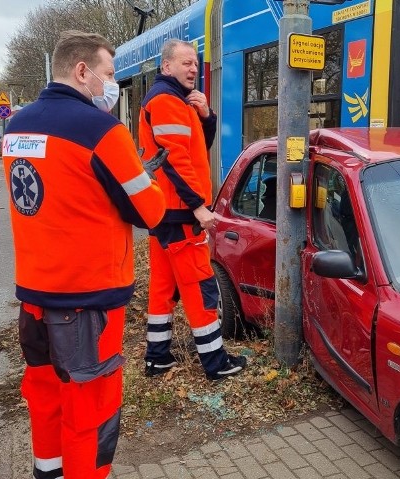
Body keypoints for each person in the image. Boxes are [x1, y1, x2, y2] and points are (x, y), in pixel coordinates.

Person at [1, 30, 166, 479]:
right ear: (82, 71)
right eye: (109, 74)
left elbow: (61, 195)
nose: (112, 84)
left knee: (44, 396)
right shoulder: (102, 130)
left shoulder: (15, 127)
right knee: (90, 412)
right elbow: (149, 211)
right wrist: (146, 179)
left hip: (35, 298)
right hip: (88, 302)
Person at [139, 38, 246, 381]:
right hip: (180, 214)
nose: (193, 68)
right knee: (201, 286)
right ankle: (216, 363)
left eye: (196, 64)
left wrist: (207, 116)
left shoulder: (174, 101)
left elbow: (197, 147)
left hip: (164, 211)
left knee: (163, 287)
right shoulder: (167, 101)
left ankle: (157, 358)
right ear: (166, 66)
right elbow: (175, 160)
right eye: (186, 63)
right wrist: (198, 207)